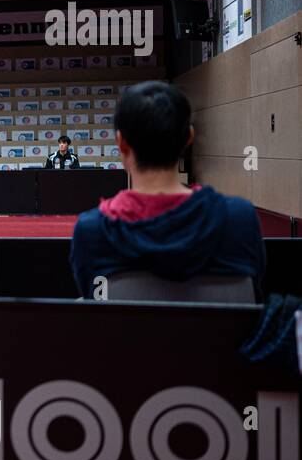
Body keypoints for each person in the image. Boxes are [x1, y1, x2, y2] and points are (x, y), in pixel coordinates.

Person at [70, 80, 265, 298]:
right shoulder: (240, 218)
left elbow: (93, 305)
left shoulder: (92, 231)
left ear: (121, 143)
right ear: (189, 138)